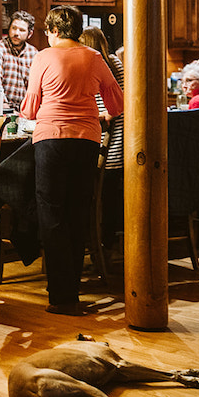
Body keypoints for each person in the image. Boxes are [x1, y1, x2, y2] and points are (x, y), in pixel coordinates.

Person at [20, 6, 122, 316]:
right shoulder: (94, 57)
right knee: (78, 211)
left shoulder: (43, 57)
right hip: (87, 139)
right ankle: (73, 291)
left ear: (52, 30)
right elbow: (116, 101)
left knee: (52, 213)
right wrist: (92, 109)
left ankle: (59, 294)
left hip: (51, 138)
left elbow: (30, 108)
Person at [78, 27, 124, 242]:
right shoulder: (113, 61)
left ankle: (97, 237)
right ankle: (106, 239)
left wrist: (104, 115)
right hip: (116, 135)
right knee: (109, 190)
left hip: (107, 135)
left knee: (101, 188)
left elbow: (118, 100)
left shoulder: (91, 63)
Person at [0, 10, 38, 111]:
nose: (16, 33)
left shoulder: (33, 53)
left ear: (30, 34)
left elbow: (35, 87)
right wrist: (6, 109)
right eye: (14, 28)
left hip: (23, 111)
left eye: (21, 30)